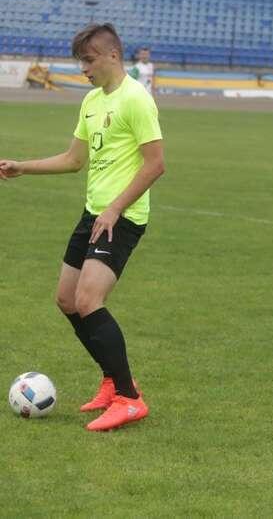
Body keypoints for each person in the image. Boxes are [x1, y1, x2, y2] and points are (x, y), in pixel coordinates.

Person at [0, 23, 165, 432]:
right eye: (80, 63)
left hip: (121, 217)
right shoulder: (92, 101)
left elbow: (155, 165)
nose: (84, 70)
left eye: (88, 61)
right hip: (94, 214)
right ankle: (112, 381)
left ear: (112, 55)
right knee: (67, 300)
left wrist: (115, 209)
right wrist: (23, 167)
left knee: (89, 299)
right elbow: (74, 160)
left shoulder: (136, 99)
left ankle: (130, 398)